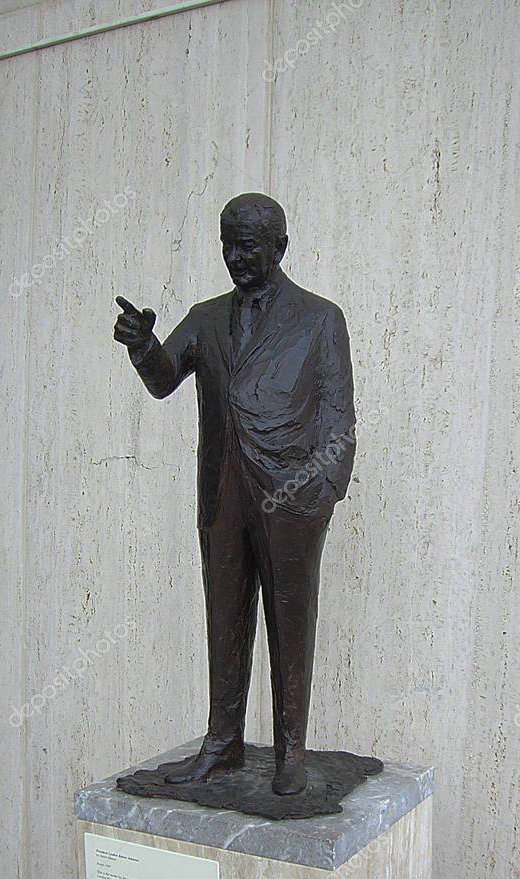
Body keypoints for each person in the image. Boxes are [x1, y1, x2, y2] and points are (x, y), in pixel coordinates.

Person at [113, 193, 355, 795]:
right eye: (227, 243)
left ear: (280, 247)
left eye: (248, 245)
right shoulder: (205, 316)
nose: (236, 256)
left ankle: (290, 751)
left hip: (291, 498)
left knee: (289, 621)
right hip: (222, 495)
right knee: (224, 618)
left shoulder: (320, 318)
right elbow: (166, 379)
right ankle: (222, 742)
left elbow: (338, 411)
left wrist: (324, 488)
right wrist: (142, 346)